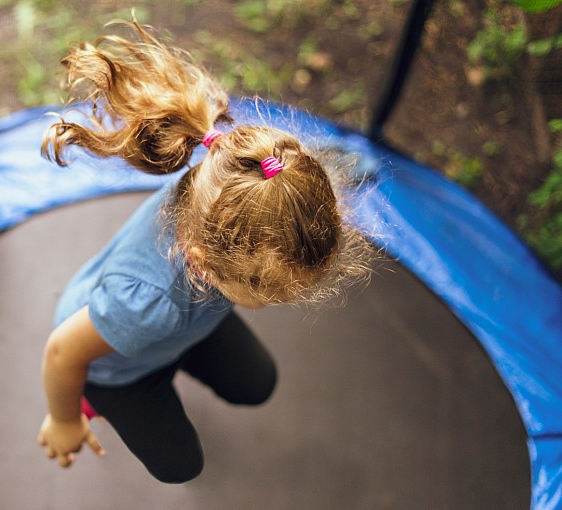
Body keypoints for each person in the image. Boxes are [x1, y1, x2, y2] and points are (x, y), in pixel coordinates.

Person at [37, 19, 370, 484]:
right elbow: (60, 354)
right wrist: (65, 418)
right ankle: (101, 399)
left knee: (257, 384)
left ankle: (176, 355)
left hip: (181, 326)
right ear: (204, 264)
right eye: (269, 290)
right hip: (115, 364)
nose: (280, 300)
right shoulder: (145, 304)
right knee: (180, 467)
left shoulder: (236, 192)